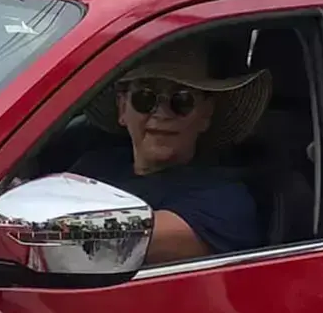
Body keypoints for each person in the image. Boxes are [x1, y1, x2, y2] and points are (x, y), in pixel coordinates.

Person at [71, 37, 273, 265]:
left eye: (182, 100)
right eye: (145, 98)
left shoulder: (225, 201)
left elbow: (111, 240)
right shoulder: (94, 165)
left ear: (206, 114)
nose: (162, 114)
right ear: (122, 108)